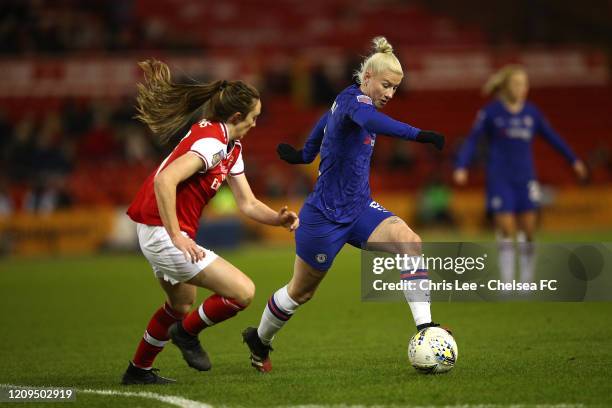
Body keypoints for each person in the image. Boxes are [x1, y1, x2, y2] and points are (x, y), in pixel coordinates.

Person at [241, 37, 446, 372]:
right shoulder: (356, 103)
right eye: (386, 85)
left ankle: (426, 327)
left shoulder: (346, 101)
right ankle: (259, 340)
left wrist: (305, 153)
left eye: (395, 88)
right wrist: (419, 134)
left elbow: (325, 121)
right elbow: (369, 122)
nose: (390, 94)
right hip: (323, 216)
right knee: (300, 292)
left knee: (410, 242)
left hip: (360, 209)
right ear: (366, 78)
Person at [121, 60, 299, 385]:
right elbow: (165, 181)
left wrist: (277, 219)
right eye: (253, 118)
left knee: (180, 303)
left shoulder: (230, 146)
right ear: (235, 117)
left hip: (161, 229)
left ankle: (138, 370)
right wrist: (175, 235)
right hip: (163, 231)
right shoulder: (211, 144)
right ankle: (186, 335)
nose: (256, 124)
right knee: (242, 292)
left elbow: (247, 202)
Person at [453, 65, 587, 284]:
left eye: (524, 84)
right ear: (506, 87)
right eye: (517, 84)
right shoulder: (491, 112)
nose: (522, 88)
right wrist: (461, 165)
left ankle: (526, 280)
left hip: (525, 179)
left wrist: (574, 160)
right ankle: (507, 281)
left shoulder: (532, 113)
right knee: (506, 229)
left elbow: (553, 138)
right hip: (499, 178)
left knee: (528, 230)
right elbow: (472, 140)